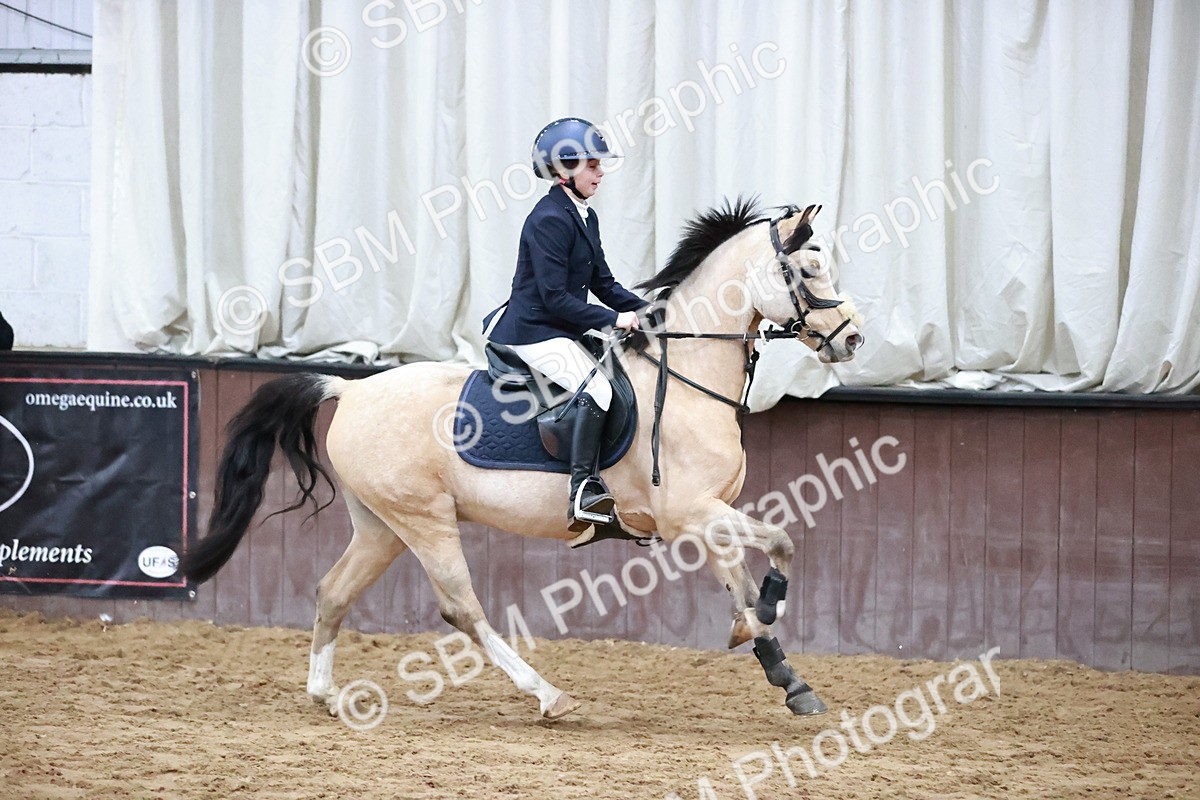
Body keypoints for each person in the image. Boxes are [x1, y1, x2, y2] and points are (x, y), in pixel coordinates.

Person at [483, 117, 649, 532]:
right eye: (591, 165)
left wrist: (650, 310)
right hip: (533, 330)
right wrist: (614, 319)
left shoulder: (583, 216)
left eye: (599, 164)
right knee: (596, 386)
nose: (600, 172)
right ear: (562, 171)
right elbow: (554, 297)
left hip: (560, 325)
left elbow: (603, 283)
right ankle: (582, 490)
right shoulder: (549, 219)